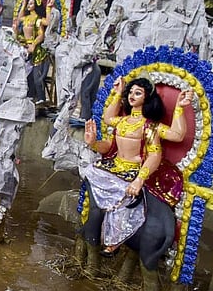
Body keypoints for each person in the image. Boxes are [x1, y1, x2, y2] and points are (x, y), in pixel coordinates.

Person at [82, 76, 191, 256]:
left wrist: (179, 107)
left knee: (124, 199)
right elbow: (109, 134)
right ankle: (95, 230)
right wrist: (93, 143)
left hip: (132, 174)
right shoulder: (122, 122)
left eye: (138, 93)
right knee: (90, 172)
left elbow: (175, 136)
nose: (132, 96)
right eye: (131, 92)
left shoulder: (150, 127)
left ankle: (114, 241)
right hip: (113, 168)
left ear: (147, 98)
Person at [13, 0, 49, 105]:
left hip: (36, 50)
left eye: (31, 3)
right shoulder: (26, 18)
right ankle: (26, 95)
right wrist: (23, 4)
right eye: (28, 4)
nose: (29, 6)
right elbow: (19, 19)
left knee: (36, 77)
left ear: (36, 5)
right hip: (25, 49)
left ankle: (40, 97)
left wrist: (48, 8)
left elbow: (41, 35)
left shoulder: (38, 20)